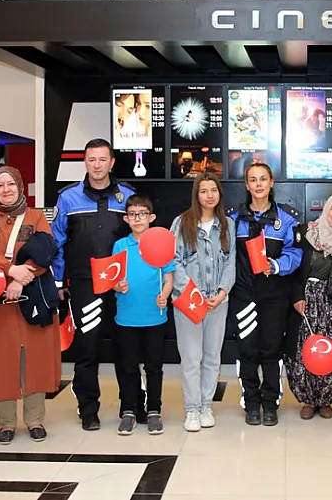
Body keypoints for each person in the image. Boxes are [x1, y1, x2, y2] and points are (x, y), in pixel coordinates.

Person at [0, 167, 62, 444]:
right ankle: (6, 422)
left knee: (34, 359)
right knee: (1, 359)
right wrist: (11, 271)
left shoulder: (35, 217)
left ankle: (34, 419)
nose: (6, 189)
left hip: (32, 298)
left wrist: (22, 279)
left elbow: (46, 251)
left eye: (11, 184)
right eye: (0, 185)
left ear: (20, 186)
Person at [51, 138, 135, 431]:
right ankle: (88, 409)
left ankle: (130, 406)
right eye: (91, 160)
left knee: (126, 348)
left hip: (121, 285)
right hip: (85, 285)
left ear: (112, 162)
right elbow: (57, 241)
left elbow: (140, 242)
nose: (97, 165)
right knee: (87, 348)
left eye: (102, 160)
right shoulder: (68, 198)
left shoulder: (129, 197)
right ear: (85, 162)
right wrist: (59, 281)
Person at [229, 162, 303, 426]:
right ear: (246, 185)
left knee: (272, 350)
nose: (258, 184)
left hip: (274, 296)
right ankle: (251, 403)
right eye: (253, 180)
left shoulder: (288, 218)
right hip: (243, 296)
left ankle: (270, 404)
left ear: (271, 183)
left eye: (263, 179)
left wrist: (277, 265)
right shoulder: (233, 219)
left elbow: (296, 254)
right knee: (247, 350)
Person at [170, 172, 236, 432]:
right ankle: (192, 410)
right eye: (203, 191)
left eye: (213, 190)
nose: (209, 195)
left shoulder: (227, 224)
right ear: (196, 195)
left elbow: (231, 262)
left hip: (217, 302)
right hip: (188, 302)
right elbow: (173, 260)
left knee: (212, 357)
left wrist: (222, 291)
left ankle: (206, 405)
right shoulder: (182, 222)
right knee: (191, 357)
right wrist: (191, 292)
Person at [111, 195, 175, 436]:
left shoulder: (161, 243)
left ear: (151, 218)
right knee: (128, 366)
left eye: (142, 214)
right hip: (126, 317)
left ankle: (154, 410)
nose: (137, 219)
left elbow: (168, 278)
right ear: (126, 218)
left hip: (154, 317)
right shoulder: (120, 246)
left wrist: (165, 294)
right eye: (133, 214)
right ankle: (128, 409)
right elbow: (111, 277)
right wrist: (118, 286)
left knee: (154, 366)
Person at [287, 194, 332, 420]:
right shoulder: (306, 233)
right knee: (305, 347)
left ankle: (325, 399)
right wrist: (296, 296)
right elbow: (293, 268)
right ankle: (307, 399)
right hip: (306, 298)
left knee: (331, 347)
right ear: (326, 209)